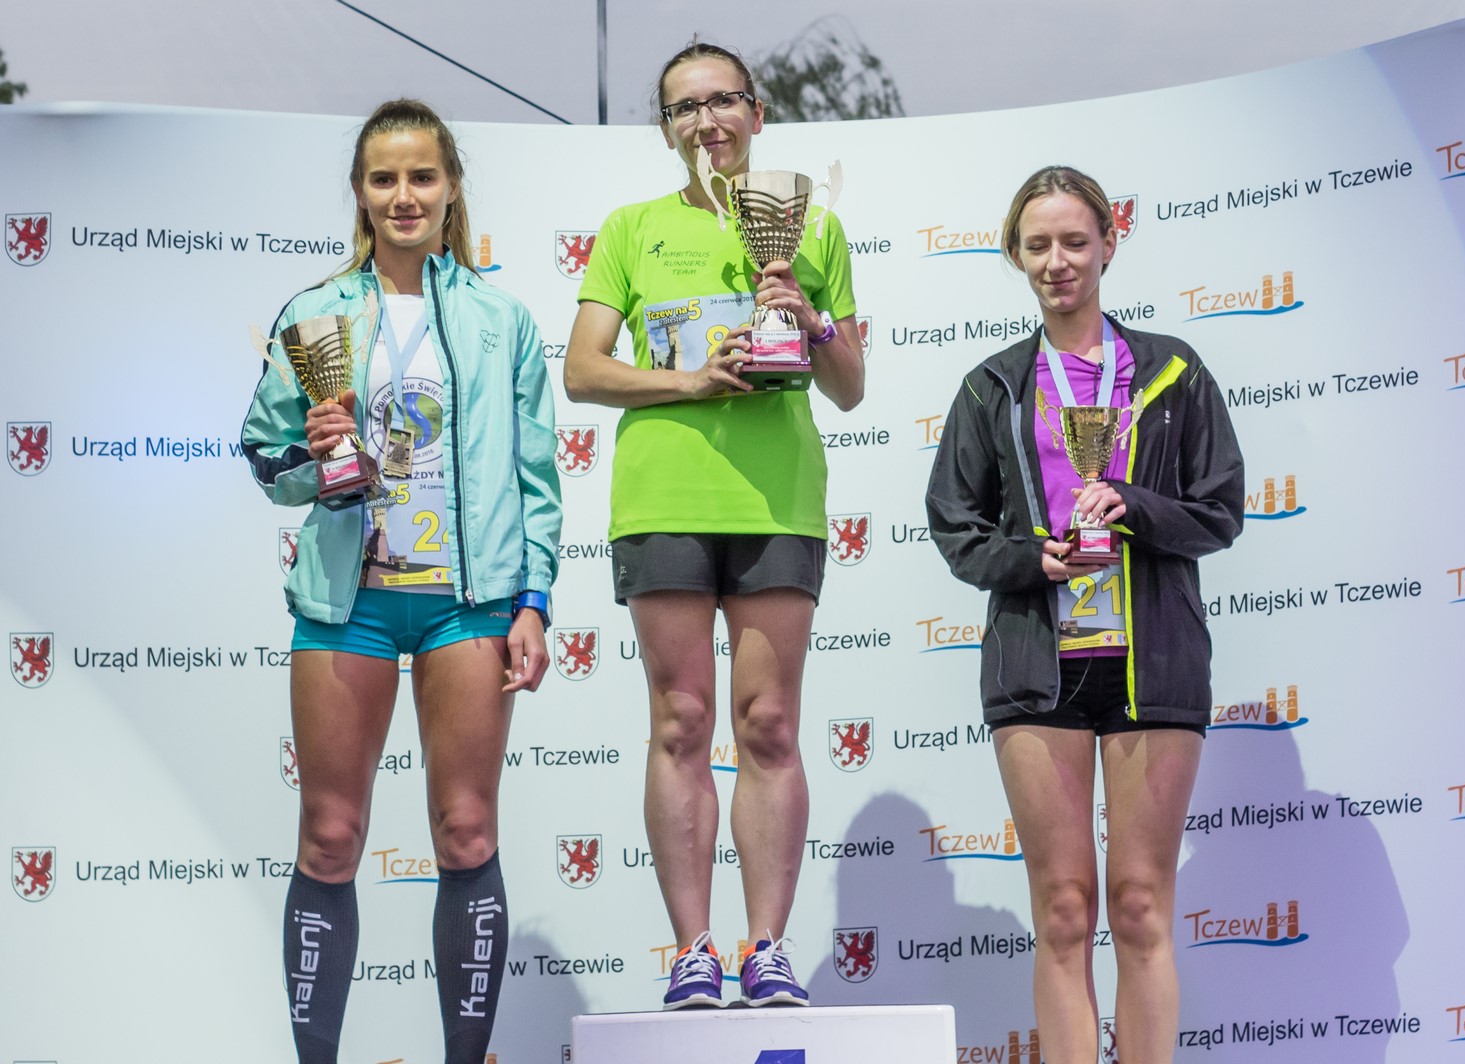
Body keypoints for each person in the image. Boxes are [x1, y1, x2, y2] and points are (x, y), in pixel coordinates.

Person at [241, 98, 561, 1064]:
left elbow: (537, 477)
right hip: (351, 605)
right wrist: (313, 450)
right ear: (360, 193)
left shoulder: (503, 319)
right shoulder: (313, 313)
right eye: (384, 178)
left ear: (451, 186)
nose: (404, 195)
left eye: (423, 176)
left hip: (468, 605)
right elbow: (266, 461)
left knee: (466, 832)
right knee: (331, 837)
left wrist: (534, 601)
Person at [564, 41, 865, 1009]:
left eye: (722, 101)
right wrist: (690, 381)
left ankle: (766, 946)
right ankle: (693, 948)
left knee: (768, 724)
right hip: (665, 500)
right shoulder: (631, 228)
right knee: (683, 720)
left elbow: (851, 387)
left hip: (777, 501)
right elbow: (582, 369)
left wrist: (808, 316)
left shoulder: (814, 226)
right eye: (684, 108)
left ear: (756, 112)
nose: (706, 121)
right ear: (666, 130)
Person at [926, 166, 1243, 1064]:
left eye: (1074, 241)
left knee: (1140, 905)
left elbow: (1221, 511)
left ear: (1109, 243)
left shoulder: (1174, 370)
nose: (1057, 261)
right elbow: (955, 526)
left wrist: (1132, 506)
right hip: (1038, 663)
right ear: (1015, 255)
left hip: (1156, 661)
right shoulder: (992, 386)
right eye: (1038, 245)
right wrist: (1035, 559)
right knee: (1064, 911)